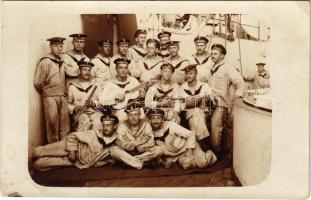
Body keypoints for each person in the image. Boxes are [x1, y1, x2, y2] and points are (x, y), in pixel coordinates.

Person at [32, 112, 119, 171]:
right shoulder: (94, 133)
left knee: (38, 165)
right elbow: (73, 136)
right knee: (36, 152)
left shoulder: (116, 142)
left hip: (77, 161)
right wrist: (72, 151)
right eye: (104, 125)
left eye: (108, 125)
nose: (105, 128)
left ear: (114, 126)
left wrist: (99, 163)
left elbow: (110, 159)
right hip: (72, 146)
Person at [139, 108, 217, 169]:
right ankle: (193, 160)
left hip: (188, 147)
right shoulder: (149, 132)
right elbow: (155, 150)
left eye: (158, 118)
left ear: (162, 119)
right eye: (153, 118)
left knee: (203, 163)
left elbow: (190, 134)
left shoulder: (171, 125)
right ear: (150, 120)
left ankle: (209, 152)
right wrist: (162, 162)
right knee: (186, 165)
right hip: (176, 155)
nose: (156, 121)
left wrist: (189, 152)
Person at [206, 44, 245, 155]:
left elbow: (240, 83)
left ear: (222, 55)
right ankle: (209, 150)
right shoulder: (212, 68)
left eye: (215, 54)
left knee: (215, 126)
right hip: (210, 102)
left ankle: (216, 152)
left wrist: (235, 101)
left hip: (221, 103)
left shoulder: (228, 68)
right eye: (211, 53)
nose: (212, 56)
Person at [34, 37, 70, 144]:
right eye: (55, 46)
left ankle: (63, 149)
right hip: (50, 97)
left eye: (61, 46)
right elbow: (38, 82)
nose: (59, 49)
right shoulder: (45, 62)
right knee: (52, 123)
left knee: (64, 124)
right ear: (50, 47)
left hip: (62, 96)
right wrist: (47, 91)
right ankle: (53, 148)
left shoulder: (61, 61)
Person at [109, 100, 156, 169]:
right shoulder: (122, 125)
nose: (133, 117)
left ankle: (128, 162)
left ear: (139, 115)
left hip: (142, 152)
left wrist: (136, 146)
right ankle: (141, 163)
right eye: (131, 115)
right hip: (127, 152)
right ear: (127, 115)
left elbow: (151, 142)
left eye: (136, 114)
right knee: (113, 150)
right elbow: (119, 142)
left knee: (158, 149)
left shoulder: (146, 124)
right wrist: (135, 145)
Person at [95, 58, 142, 122]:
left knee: (142, 116)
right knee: (122, 118)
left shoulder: (133, 81)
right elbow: (101, 100)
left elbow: (140, 94)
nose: (123, 70)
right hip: (119, 112)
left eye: (125, 68)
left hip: (134, 110)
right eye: (120, 68)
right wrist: (115, 98)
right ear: (116, 69)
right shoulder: (109, 84)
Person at [179, 64, 213, 144]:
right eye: (187, 74)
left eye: (191, 73)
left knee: (195, 119)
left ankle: (195, 146)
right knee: (195, 116)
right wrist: (189, 103)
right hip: (188, 113)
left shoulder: (204, 86)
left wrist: (206, 100)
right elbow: (180, 104)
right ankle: (204, 145)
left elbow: (212, 101)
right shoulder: (182, 88)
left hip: (204, 112)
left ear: (196, 74)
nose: (189, 76)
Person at [67, 60, 102, 132]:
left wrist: (94, 103)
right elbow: (67, 103)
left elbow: (102, 100)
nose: (87, 72)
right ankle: (82, 142)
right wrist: (74, 108)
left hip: (94, 112)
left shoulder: (96, 84)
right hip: (80, 114)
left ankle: (95, 142)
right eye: (84, 70)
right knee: (84, 121)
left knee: (98, 122)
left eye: (89, 70)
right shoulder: (72, 86)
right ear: (79, 70)